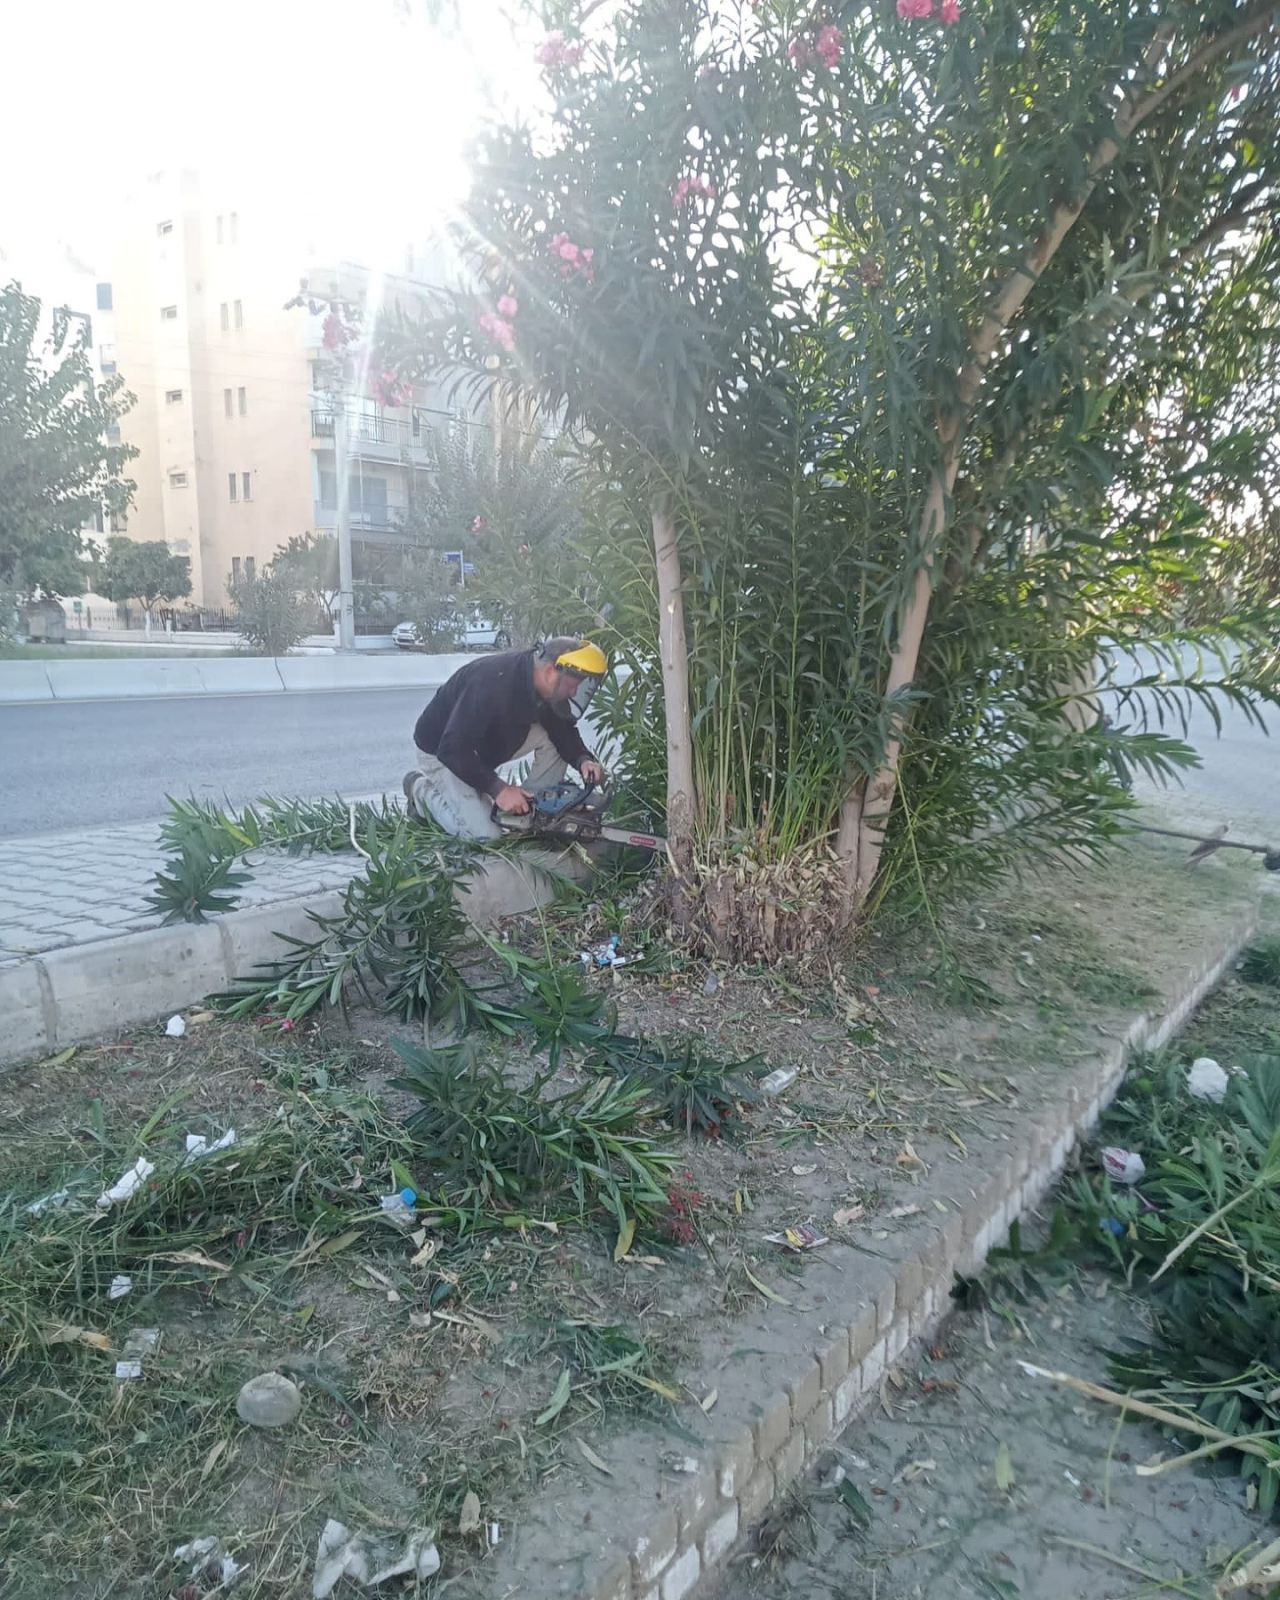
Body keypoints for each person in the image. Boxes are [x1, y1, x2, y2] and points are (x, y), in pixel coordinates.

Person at [403, 636, 609, 839]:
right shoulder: (491, 684)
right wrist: (498, 789)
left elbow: (561, 726)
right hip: (443, 752)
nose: (573, 692)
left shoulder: (545, 685)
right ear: (549, 673)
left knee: (553, 738)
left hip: (485, 743)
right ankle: (420, 791)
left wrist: (583, 759)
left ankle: (533, 812)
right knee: (485, 835)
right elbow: (452, 749)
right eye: (571, 686)